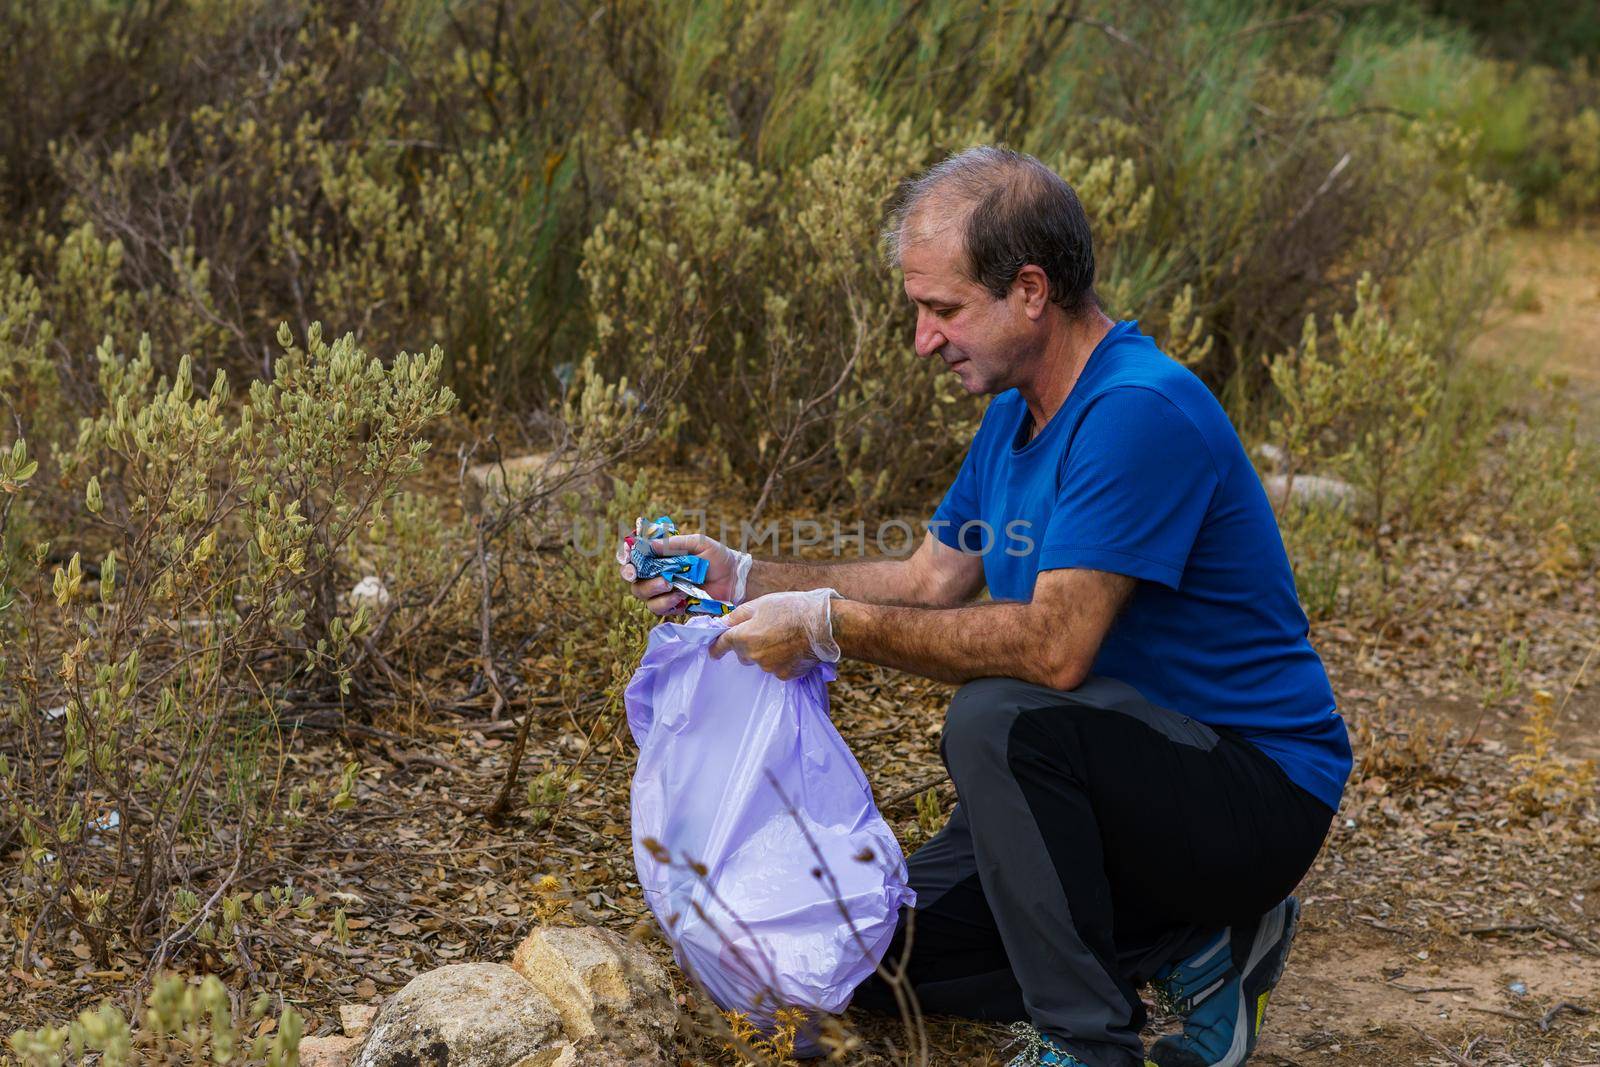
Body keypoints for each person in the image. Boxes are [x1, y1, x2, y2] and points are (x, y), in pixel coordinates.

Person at [621, 146, 1351, 1067]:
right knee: (866, 958)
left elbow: (1054, 651)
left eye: (943, 309)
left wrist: (825, 626)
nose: (924, 339)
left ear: (1033, 290)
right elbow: (931, 578)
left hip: (1250, 792)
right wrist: (745, 575)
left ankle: (1088, 1045)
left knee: (998, 718)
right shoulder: (1016, 414)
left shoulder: (1137, 410)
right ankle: (1198, 948)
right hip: (1113, 774)